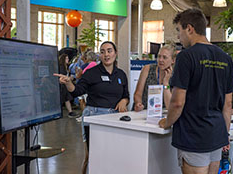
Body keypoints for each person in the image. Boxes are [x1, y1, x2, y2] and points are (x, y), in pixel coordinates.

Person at [158, 8, 233, 174]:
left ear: (190, 29)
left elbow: (178, 102)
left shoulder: (187, 56)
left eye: (179, 30)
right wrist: (225, 134)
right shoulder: (226, 59)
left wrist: (167, 122)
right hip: (216, 134)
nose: (179, 36)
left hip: (193, 134)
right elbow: (228, 104)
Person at [54, 41, 129, 174]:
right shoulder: (92, 73)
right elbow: (77, 91)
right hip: (94, 117)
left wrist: (124, 100)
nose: (106, 54)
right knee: (92, 156)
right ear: (99, 55)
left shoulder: (121, 75)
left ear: (115, 53)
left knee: (112, 156)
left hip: (115, 118)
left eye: (109, 51)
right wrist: (68, 83)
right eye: (102, 51)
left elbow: (126, 95)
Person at [133, 44, 176, 111]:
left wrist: (166, 83)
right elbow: (138, 94)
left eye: (164, 57)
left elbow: (169, 106)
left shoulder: (176, 76)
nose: (160, 60)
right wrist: (138, 103)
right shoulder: (147, 69)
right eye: (159, 56)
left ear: (173, 60)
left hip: (163, 113)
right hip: (144, 111)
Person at [58, 54, 79, 118]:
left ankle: (70, 112)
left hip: (64, 86)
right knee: (65, 98)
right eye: (66, 58)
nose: (68, 59)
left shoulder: (66, 66)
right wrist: (70, 78)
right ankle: (69, 112)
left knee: (66, 99)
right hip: (62, 86)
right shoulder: (62, 67)